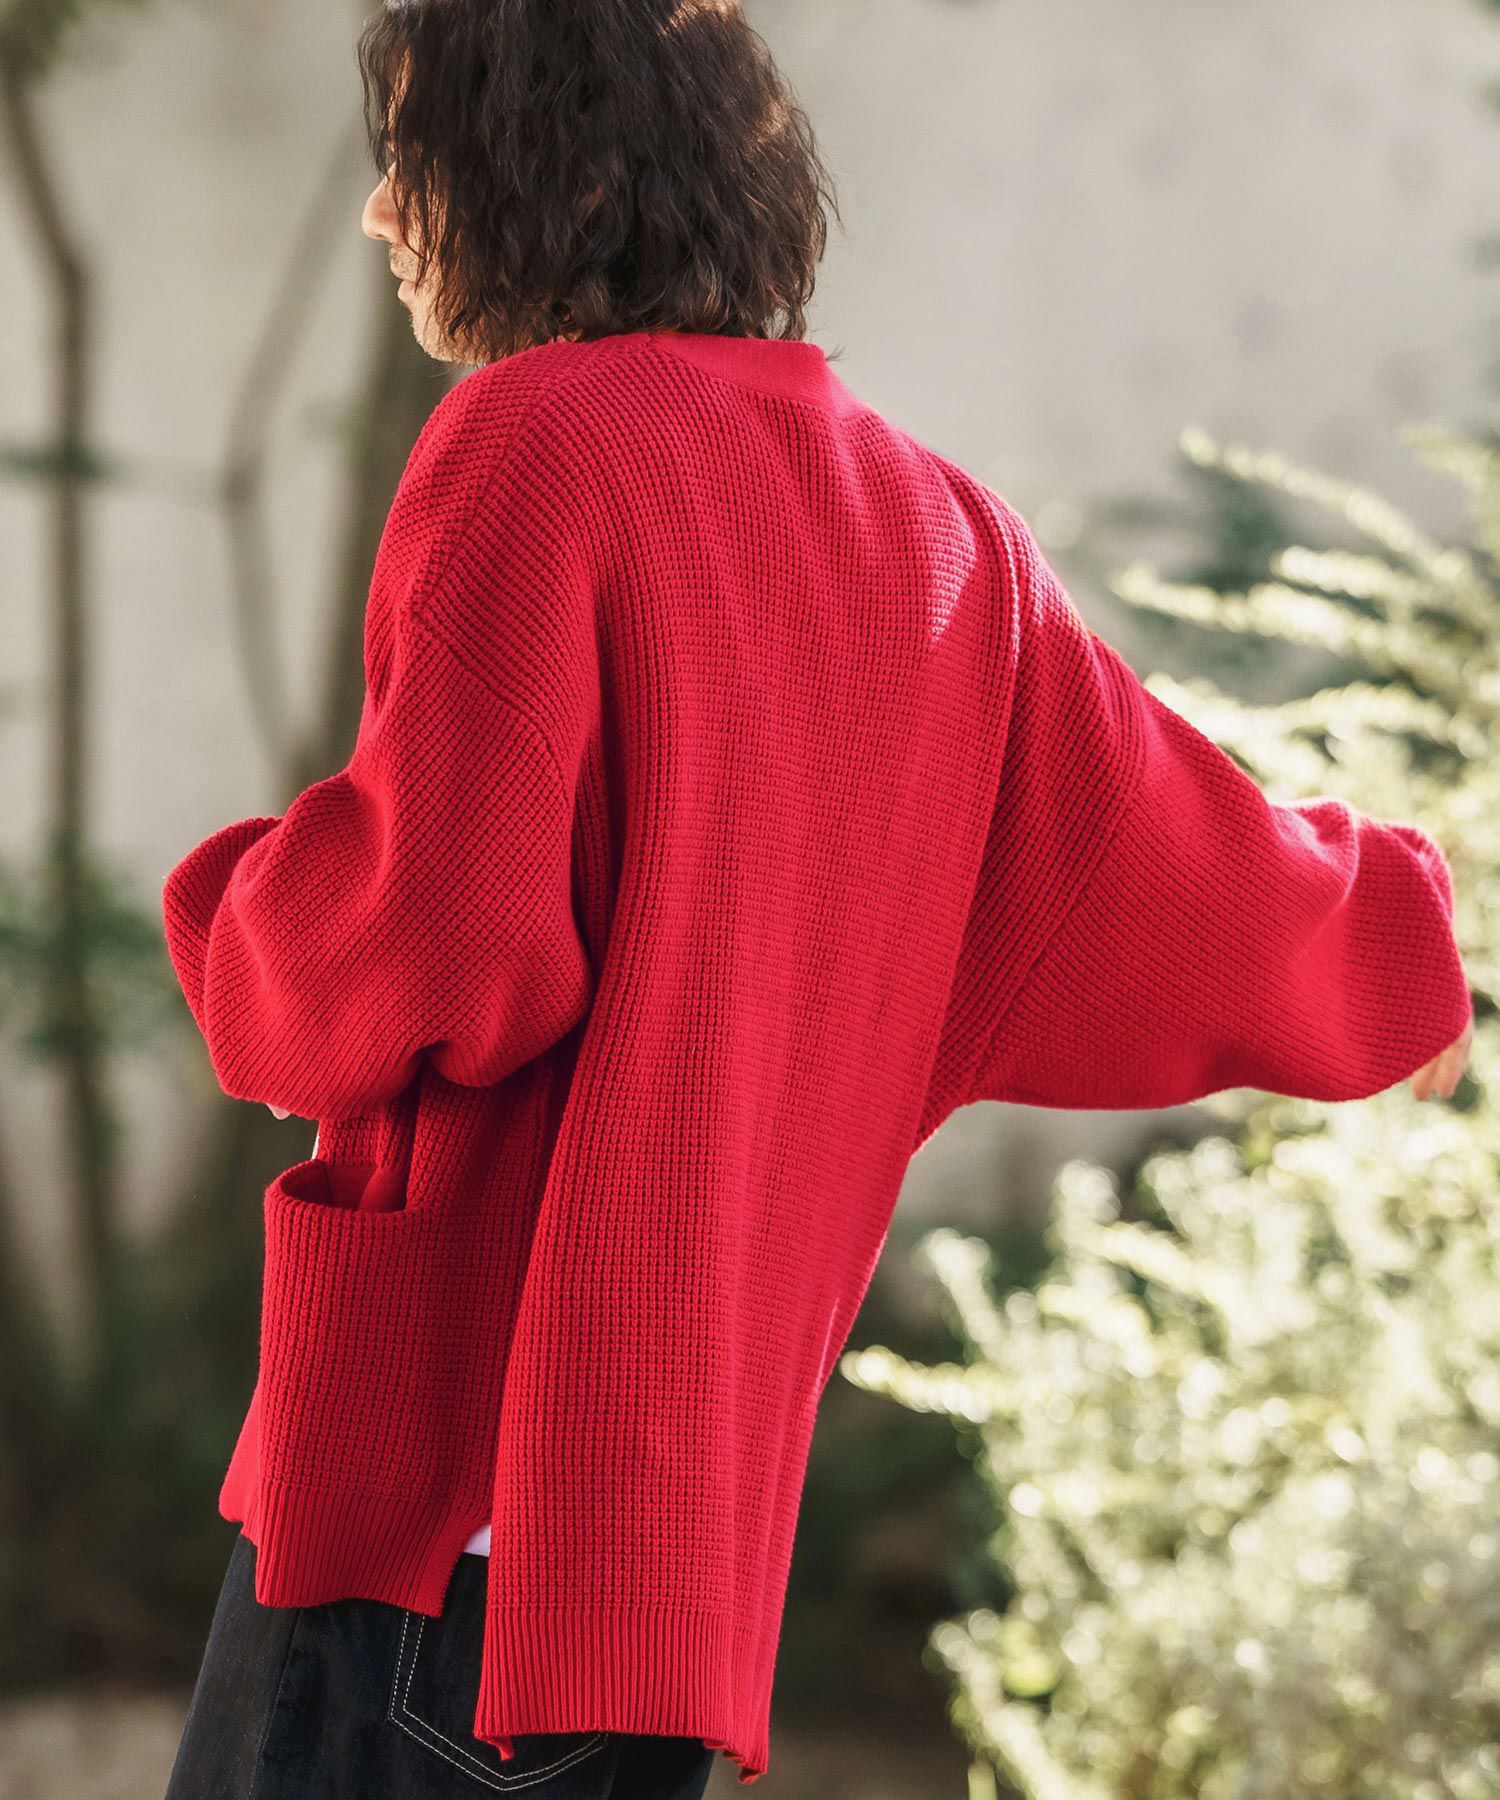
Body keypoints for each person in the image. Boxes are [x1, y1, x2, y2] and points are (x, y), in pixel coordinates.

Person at [159, 1, 1473, 1795]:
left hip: (437, 1517)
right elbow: (1187, 869)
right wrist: (1405, 946)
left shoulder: (530, 444)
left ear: (554, 172)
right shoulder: (939, 532)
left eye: (413, 158)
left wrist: (229, 913)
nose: (386, 210)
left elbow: (433, 944)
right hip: (665, 1560)